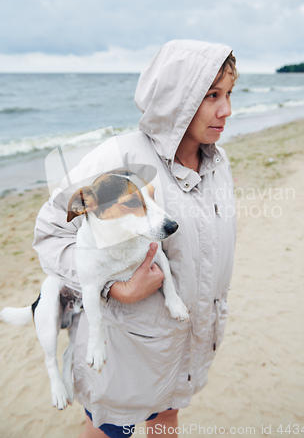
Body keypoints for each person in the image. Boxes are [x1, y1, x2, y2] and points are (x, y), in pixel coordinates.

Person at [33, 39, 238, 437]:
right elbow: (51, 232)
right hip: (125, 348)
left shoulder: (218, 161)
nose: (226, 109)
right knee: (111, 430)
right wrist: (114, 287)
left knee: (166, 420)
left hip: (188, 341)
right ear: (176, 97)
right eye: (212, 94)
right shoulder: (118, 158)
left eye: (229, 94)